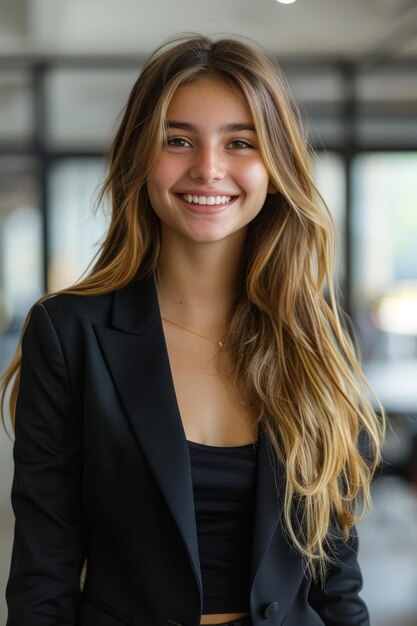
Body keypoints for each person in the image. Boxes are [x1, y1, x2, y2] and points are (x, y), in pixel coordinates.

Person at [1, 34, 385, 626]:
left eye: (240, 143)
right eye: (177, 140)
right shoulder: (67, 334)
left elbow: (338, 584)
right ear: (138, 157)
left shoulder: (316, 338)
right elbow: (41, 583)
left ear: (275, 167)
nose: (208, 167)